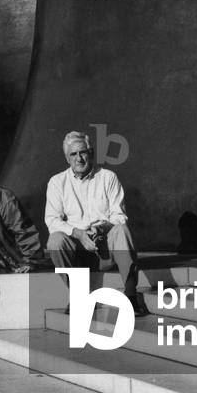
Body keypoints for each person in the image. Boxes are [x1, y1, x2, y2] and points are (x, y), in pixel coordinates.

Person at [44, 131, 149, 316]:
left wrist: (102, 227)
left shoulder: (108, 177)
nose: (79, 158)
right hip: (77, 250)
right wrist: (78, 233)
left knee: (121, 230)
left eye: (83, 152)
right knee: (55, 240)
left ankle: (131, 296)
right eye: (73, 154)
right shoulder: (56, 182)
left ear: (91, 153)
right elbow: (52, 220)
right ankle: (79, 296)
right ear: (67, 158)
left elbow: (119, 215)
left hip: (104, 247)